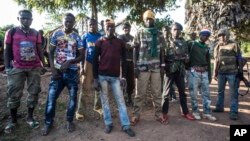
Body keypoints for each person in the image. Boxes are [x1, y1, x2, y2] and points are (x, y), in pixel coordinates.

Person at [41, 13, 84, 136]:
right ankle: (48, 123)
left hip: (72, 72)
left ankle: (70, 121)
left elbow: (82, 55)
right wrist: (52, 68)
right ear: (63, 21)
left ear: (74, 22)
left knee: (72, 98)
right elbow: (50, 52)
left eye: (71, 21)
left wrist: (70, 61)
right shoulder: (56, 34)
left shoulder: (77, 37)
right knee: (51, 98)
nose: (68, 23)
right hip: (58, 72)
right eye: (66, 21)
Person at [3, 9, 45, 134]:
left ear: (32, 20)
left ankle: (30, 117)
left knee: (34, 92)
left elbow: (39, 49)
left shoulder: (36, 33)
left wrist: (44, 64)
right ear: (18, 19)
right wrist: (7, 67)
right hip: (17, 68)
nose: (26, 20)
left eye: (28, 18)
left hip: (34, 68)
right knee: (14, 94)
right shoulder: (11, 32)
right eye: (23, 18)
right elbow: (6, 50)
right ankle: (13, 121)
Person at [93, 19, 135, 137]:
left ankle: (126, 125)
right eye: (107, 27)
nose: (110, 29)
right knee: (105, 101)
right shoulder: (99, 42)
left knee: (120, 101)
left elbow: (123, 60)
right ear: (104, 28)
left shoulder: (119, 42)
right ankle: (108, 123)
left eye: (112, 26)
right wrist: (95, 79)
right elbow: (95, 61)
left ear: (114, 28)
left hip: (116, 77)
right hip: (102, 76)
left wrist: (124, 77)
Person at [131, 10, 166, 125]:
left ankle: (159, 114)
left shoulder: (159, 33)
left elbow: (162, 50)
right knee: (140, 93)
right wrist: (135, 66)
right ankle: (136, 115)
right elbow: (135, 49)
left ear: (154, 20)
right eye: (147, 19)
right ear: (144, 20)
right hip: (142, 67)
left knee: (157, 92)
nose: (148, 21)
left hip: (156, 67)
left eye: (151, 19)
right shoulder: (139, 32)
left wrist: (162, 65)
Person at [162, 22, 195, 122]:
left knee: (182, 92)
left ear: (181, 31)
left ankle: (185, 112)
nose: (176, 31)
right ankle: (164, 113)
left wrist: (186, 59)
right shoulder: (166, 41)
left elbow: (187, 56)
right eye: (174, 29)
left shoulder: (183, 42)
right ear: (171, 30)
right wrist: (165, 65)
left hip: (180, 70)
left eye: (178, 29)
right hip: (169, 70)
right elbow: (162, 56)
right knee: (166, 93)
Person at [75, 18, 102, 121]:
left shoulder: (101, 37)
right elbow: (81, 54)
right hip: (88, 63)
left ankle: (98, 107)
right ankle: (80, 111)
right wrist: (81, 67)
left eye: (93, 24)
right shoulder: (85, 37)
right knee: (85, 88)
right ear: (87, 25)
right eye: (90, 25)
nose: (92, 26)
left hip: (99, 64)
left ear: (96, 25)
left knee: (99, 87)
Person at [213, 28, 242, 120]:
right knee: (220, 91)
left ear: (228, 35)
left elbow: (239, 58)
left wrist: (240, 71)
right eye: (220, 35)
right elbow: (216, 60)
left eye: (224, 35)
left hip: (232, 73)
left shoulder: (234, 44)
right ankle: (219, 107)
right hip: (221, 73)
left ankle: (233, 112)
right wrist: (215, 72)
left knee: (233, 93)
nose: (222, 37)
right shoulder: (217, 46)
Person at [187, 29, 216, 121]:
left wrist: (209, 75)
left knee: (206, 94)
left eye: (207, 36)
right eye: (204, 35)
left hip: (204, 72)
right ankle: (195, 111)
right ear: (199, 35)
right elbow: (184, 48)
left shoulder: (206, 47)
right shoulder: (192, 44)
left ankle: (207, 112)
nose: (206, 37)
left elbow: (208, 62)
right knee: (193, 93)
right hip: (193, 72)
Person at [117, 22, 135, 106]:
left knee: (131, 81)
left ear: (130, 28)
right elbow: (124, 46)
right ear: (122, 29)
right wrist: (129, 46)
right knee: (122, 80)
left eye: (127, 27)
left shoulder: (133, 37)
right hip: (122, 62)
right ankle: (122, 99)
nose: (126, 28)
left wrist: (130, 46)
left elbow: (135, 47)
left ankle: (129, 98)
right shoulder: (120, 37)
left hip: (131, 62)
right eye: (124, 27)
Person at [162, 25, 177, 102]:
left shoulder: (171, 41)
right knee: (164, 81)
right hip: (161, 63)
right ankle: (165, 97)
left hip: (169, 64)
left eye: (167, 30)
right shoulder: (160, 40)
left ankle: (172, 96)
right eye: (164, 30)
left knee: (169, 81)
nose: (166, 32)